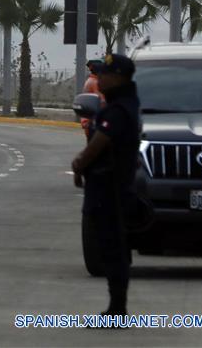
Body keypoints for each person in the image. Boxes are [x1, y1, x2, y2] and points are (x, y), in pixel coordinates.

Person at [72, 54, 141, 318]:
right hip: (106, 187)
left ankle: (117, 309)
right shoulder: (121, 104)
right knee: (113, 248)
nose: (99, 78)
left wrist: (79, 163)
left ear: (120, 77)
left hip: (110, 190)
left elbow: (101, 142)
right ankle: (116, 307)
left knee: (114, 250)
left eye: (105, 74)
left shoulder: (119, 109)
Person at [80, 59, 104, 137]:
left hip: (89, 122)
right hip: (94, 123)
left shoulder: (90, 81)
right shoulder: (95, 83)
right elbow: (102, 102)